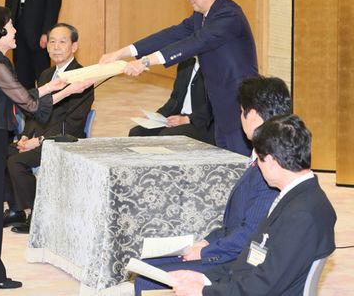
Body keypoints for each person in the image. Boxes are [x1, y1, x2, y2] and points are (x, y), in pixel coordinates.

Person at [0, 6, 92, 289]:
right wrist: (68, 91)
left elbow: (23, 95)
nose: (15, 31)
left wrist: (52, 87)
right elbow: (30, 105)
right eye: (10, 26)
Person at [135, 76, 290, 295]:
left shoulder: (271, 168)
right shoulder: (263, 155)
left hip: (238, 264)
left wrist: (207, 251)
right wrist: (205, 242)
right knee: (147, 264)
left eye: (241, 111)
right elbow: (234, 225)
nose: (240, 118)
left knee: (148, 278)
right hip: (229, 250)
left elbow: (249, 235)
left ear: (252, 116)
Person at [100, 0, 258, 156]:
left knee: (239, 164)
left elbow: (196, 42)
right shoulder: (201, 16)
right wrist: (122, 52)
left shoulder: (229, 15)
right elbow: (171, 35)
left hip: (238, 105)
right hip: (219, 106)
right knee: (224, 167)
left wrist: (145, 62)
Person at [169, 114, 337, 295]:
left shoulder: (301, 214)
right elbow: (253, 260)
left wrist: (204, 292)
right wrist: (204, 278)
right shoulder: (298, 197)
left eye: (259, 159)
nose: (257, 165)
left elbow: (263, 286)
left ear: (272, 162)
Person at [4, 23, 95, 234]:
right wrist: (26, 134)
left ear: (74, 46)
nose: (55, 47)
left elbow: (75, 122)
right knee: (3, 152)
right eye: (52, 42)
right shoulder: (46, 74)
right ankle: (16, 209)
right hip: (39, 138)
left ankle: (39, 215)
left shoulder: (83, 76)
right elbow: (36, 111)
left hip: (64, 140)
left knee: (17, 163)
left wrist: (41, 140)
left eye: (62, 42)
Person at [128, 57, 214, 145]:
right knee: (137, 133)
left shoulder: (217, 67)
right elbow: (175, 99)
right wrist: (157, 117)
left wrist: (188, 119)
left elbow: (216, 105)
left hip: (205, 122)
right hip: (182, 117)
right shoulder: (186, 61)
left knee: (166, 136)